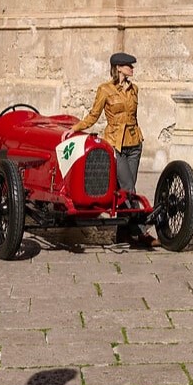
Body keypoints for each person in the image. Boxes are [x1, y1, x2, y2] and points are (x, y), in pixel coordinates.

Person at [63, 52, 157, 247]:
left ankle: (122, 234)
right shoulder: (104, 90)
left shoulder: (134, 89)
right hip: (115, 144)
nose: (132, 68)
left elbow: (134, 117)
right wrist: (75, 128)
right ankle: (141, 234)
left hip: (134, 144)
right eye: (129, 65)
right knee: (129, 188)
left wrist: (138, 140)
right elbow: (93, 115)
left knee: (124, 191)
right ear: (119, 68)